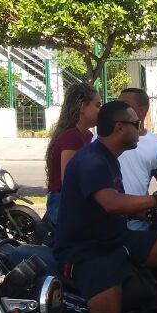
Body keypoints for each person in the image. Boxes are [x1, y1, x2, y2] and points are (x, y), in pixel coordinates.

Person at [53, 100, 157, 313]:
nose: (140, 130)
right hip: (86, 251)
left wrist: (141, 212)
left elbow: (109, 206)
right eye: (136, 125)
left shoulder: (109, 158)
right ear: (119, 128)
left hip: (115, 237)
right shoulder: (92, 161)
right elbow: (111, 202)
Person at [117, 88, 157, 231]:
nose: (118, 109)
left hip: (139, 224)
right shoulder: (101, 139)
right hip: (106, 224)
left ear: (142, 111)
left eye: (124, 104)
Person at [44, 82, 101, 225]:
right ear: (82, 106)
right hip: (64, 200)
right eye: (97, 105)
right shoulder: (72, 137)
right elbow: (68, 181)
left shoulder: (87, 135)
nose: (100, 110)